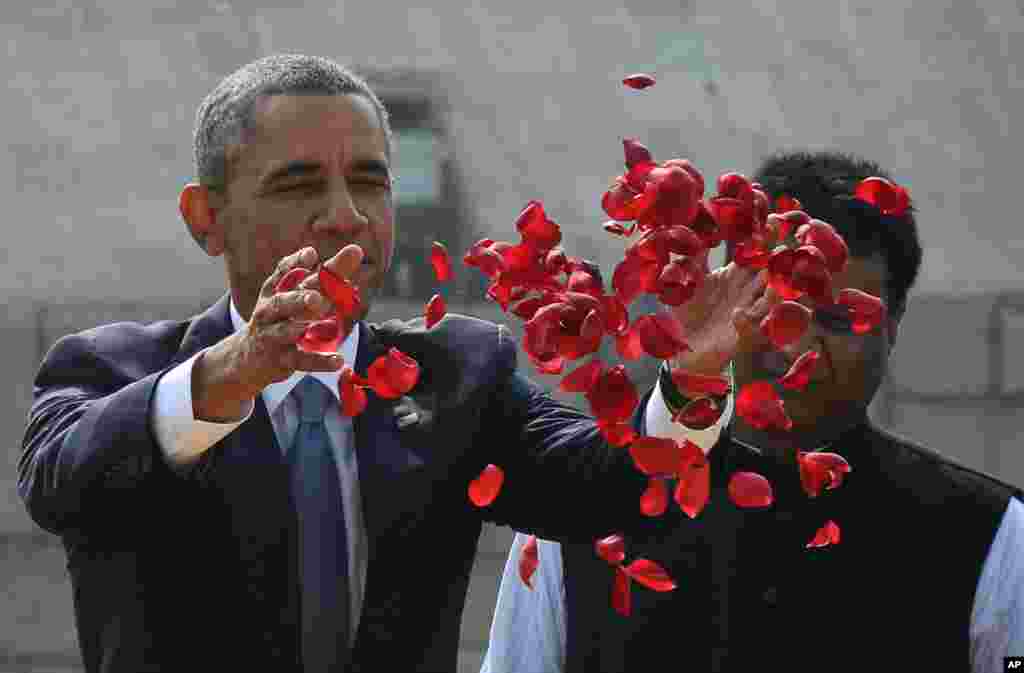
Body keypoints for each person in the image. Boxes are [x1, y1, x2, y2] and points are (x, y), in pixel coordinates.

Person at [17, 54, 699, 673]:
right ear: (207, 218)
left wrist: (695, 374)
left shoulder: (458, 374)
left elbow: (611, 486)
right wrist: (233, 371)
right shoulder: (111, 369)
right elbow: (62, 479)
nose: (345, 216)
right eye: (297, 185)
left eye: (369, 183)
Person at [481, 150, 1024, 673]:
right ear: (726, 292)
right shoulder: (578, 505)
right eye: (771, 304)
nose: (793, 345)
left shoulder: (992, 537)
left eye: (837, 318)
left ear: (894, 324)